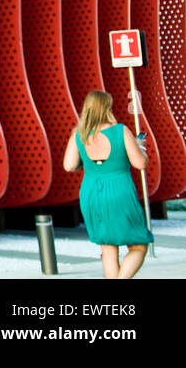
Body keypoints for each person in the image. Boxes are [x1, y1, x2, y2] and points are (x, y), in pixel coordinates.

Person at [63, 89, 153, 278]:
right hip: (120, 191)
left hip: (91, 192)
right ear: (107, 108)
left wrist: (87, 163)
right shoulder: (120, 130)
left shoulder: (78, 135)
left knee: (108, 247)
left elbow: (69, 166)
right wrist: (140, 148)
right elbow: (140, 163)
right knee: (139, 245)